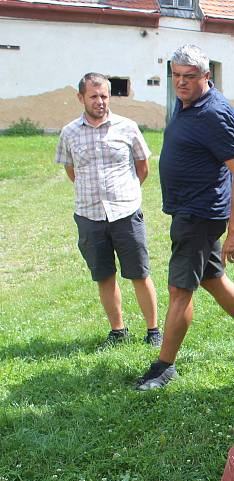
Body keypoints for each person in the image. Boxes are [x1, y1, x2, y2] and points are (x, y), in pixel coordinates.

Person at [134, 44, 234, 391]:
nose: (180, 83)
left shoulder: (214, 113)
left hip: (199, 213)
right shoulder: (187, 102)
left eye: (189, 77)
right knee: (212, 278)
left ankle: (164, 366)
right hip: (190, 210)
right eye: (175, 75)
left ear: (207, 76)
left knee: (180, 289)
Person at [55, 72, 162, 349]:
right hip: (89, 215)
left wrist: (125, 194)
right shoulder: (69, 133)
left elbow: (143, 167)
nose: (100, 101)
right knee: (104, 275)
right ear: (81, 98)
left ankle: (153, 330)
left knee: (139, 273)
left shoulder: (127, 127)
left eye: (104, 95)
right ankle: (118, 330)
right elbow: (71, 170)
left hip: (126, 213)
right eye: (94, 96)